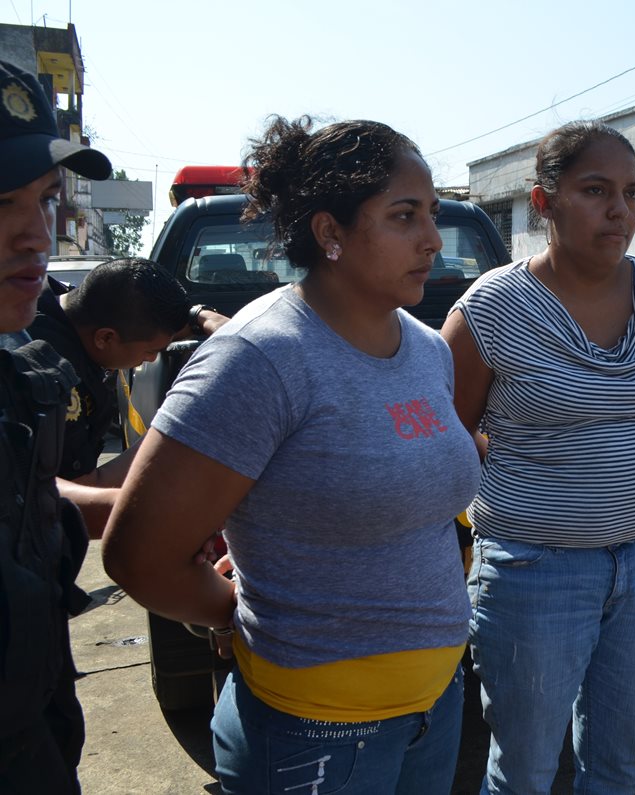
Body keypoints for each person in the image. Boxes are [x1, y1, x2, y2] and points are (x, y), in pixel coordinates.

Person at [101, 116, 481, 794]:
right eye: (403, 216)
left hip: (434, 705)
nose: (432, 239)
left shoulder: (426, 349)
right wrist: (232, 612)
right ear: (329, 232)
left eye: (433, 213)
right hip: (317, 727)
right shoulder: (260, 358)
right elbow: (138, 553)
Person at [442, 120, 635, 794]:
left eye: (633, 192)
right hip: (531, 573)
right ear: (542, 201)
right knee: (524, 767)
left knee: (619, 761)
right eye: (595, 190)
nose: (621, 210)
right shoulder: (490, 309)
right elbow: (451, 439)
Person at [0, 58, 113, 794]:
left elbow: (30, 515)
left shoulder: (15, 368)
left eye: (43, 200)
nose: (35, 235)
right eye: (0, 203)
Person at [29, 257, 226, 483]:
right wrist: (173, 433)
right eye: (150, 351)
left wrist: (201, 315)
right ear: (105, 337)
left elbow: (155, 325)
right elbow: (83, 492)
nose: (151, 359)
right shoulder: (50, 377)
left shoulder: (65, 305)